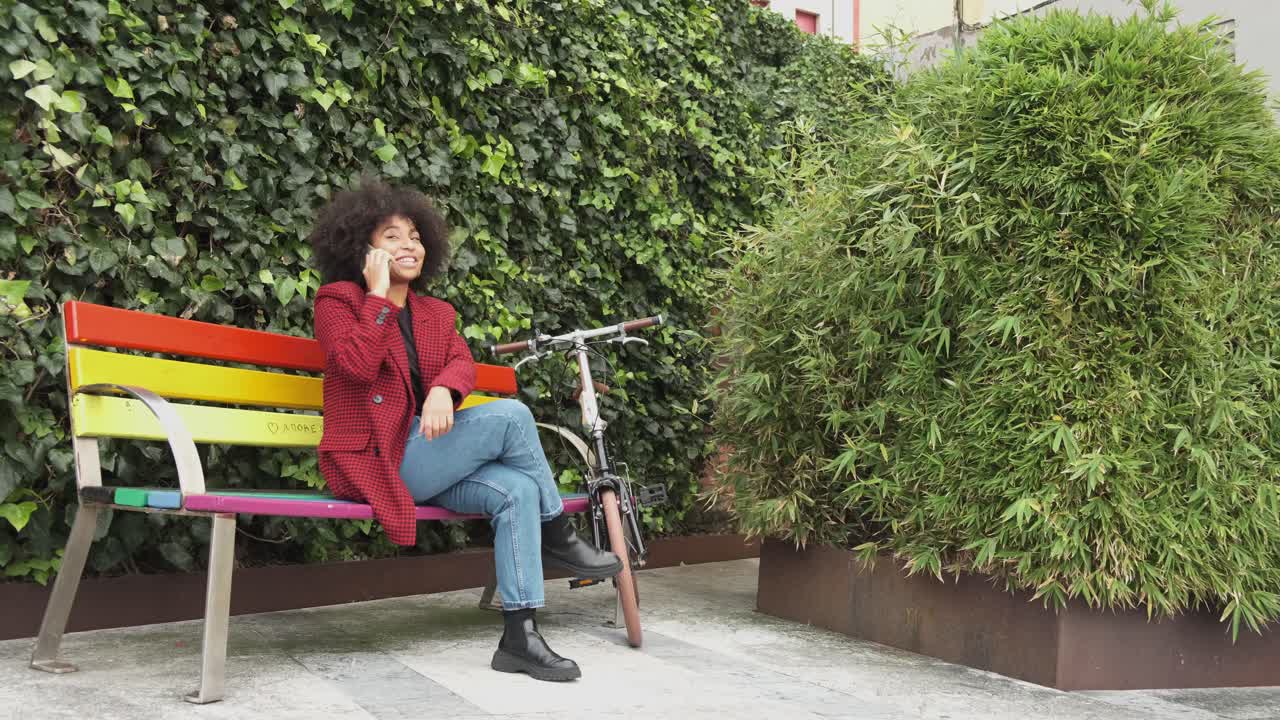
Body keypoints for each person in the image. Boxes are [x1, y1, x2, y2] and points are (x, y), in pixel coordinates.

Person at [308, 178, 621, 682]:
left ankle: (520, 636)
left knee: (517, 489)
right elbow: (356, 367)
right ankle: (557, 533)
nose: (409, 244)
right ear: (361, 249)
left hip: (428, 455)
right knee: (513, 415)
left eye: (414, 234)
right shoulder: (339, 301)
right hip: (378, 461)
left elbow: (460, 363)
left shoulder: (437, 313)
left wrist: (441, 391)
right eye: (392, 236)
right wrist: (378, 297)